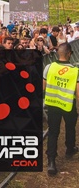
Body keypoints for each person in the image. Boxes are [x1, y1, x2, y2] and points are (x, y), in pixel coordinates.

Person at [44, 42, 79, 176]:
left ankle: (51, 162)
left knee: (53, 132)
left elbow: (42, 86)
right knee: (70, 128)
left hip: (52, 104)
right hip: (68, 105)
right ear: (70, 53)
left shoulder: (49, 67)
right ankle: (70, 148)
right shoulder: (75, 71)